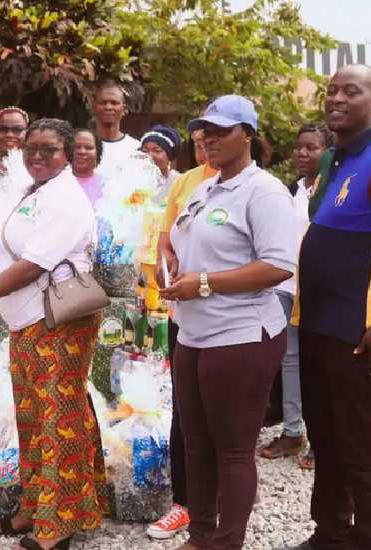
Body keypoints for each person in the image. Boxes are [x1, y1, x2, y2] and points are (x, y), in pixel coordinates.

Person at [0, 119, 109, 550]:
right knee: (31, 416)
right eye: (30, 147)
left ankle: (60, 526)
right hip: (24, 322)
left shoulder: (69, 200)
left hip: (58, 321)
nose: (36, 156)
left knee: (59, 420)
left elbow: (31, 265)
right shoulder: (25, 189)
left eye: (48, 149)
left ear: (67, 153)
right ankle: (35, 507)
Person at [159, 95, 299, 550]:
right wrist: (175, 257)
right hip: (193, 332)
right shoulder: (205, 187)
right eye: (204, 131)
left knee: (233, 450)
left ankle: (227, 542)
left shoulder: (265, 192)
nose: (209, 138)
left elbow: (278, 266)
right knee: (196, 445)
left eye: (221, 130)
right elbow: (192, 239)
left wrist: (202, 281)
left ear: (249, 135)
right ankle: (201, 537)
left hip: (240, 335)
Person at [289, 64, 371, 550]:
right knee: (324, 437)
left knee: (363, 444)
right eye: (332, 90)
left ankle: (370, 538)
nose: (337, 98)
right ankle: (330, 532)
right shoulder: (334, 162)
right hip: (316, 325)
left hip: (357, 332)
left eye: (352, 91)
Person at [147, 125, 217, 541]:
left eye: (214, 135)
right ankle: (185, 503)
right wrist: (163, 259)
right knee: (184, 409)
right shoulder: (188, 182)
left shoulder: (257, 187)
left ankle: (224, 501)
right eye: (199, 139)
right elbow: (166, 236)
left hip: (233, 324)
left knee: (223, 415)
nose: (205, 145)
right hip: (184, 316)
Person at [259, 123, 333, 467]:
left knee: (320, 363)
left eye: (311, 148)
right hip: (286, 287)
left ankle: (323, 439)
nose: (302, 154)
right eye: (298, 147)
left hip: (318, 290)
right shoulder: (292, 191)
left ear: (327, 152)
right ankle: (292, 432)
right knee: (287, 359)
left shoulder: (332, 190)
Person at [92, 79, 139, 173]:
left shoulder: (136, 149)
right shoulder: (81, 147)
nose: (108, 107)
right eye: (103, 103)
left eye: (114, 103)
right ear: (94, 107)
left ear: (124, 109)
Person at [140, 124, 182, 201]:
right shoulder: (134, 181)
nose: (149, 156)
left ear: (169, 156)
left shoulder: (180, 182)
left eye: (157, 151)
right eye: (145, 151)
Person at [72, 128, 105, 204]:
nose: (82, 152)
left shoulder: (107, 185)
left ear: (98, 152)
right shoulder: (58, 182)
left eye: (89, 148)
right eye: (77, 147)